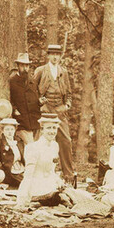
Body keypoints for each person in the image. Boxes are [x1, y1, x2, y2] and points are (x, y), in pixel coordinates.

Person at [31, 44, 74, 179]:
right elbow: (32, 89)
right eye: (52, 54)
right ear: (48, 55)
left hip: (60, 110)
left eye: (57, 55)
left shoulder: (64, 72)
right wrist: (39, 100)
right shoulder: (41, 70)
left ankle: (68, 175)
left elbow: (68, 93)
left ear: (60, 56)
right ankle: (37, 173)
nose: (55, 57)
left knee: (66, 141)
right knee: (42, 140)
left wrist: (67, 104)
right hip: (45, 109)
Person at [16, 114, 64, 207]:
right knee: (60, 197)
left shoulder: (55, 146)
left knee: (72, 195)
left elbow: (51, 171)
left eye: (54, 128)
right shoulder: (33, 147)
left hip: (50, 183)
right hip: (37, 186)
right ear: (42, 130)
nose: (52, 131)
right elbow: (28, 175)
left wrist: (58, 180)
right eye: (49, 128)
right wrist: (22, 198)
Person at [8, 52, 41, 145]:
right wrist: (14, 110)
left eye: (27, 66)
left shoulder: (32, 81)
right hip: (22, 122)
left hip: (35, 121)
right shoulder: (12, 82)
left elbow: (36, 98)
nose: (25, 69)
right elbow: (8, 100)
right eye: (22, 66)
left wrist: (40, 102)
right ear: (18, 66)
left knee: (38, 148)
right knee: (31, 147)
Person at [0, 117, 26, 188]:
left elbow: (24, 157)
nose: (10, 132)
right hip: (9, 172)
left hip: (21, 169)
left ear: (15, 130)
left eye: (12, 129)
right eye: (7, 129)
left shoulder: (19, 142)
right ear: (2, 131)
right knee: (25, 183)